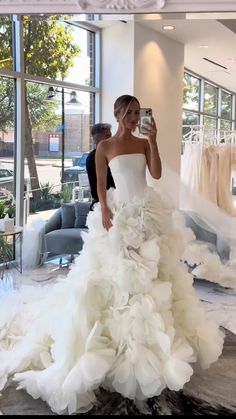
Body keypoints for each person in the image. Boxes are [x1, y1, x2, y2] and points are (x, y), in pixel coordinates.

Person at [0, 94, 224, 415]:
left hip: (147, 215)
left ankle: (153, 341)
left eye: (137, 113)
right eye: (129, 113)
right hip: (120, 216)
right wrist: (104, 209)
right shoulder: (104, 148)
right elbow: (101, 186)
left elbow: (156, 174)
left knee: (154, 276)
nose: (134, 117)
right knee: (116, 277)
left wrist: (155, 140)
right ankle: (118, 345)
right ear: (118, 114)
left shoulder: (144, 142)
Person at [86, 123, 115, 208]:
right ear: (97, 139)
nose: (111, 139)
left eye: (111, 135)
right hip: (103, 205)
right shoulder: (93, 158)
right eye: (107, 136)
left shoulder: (109, 154)